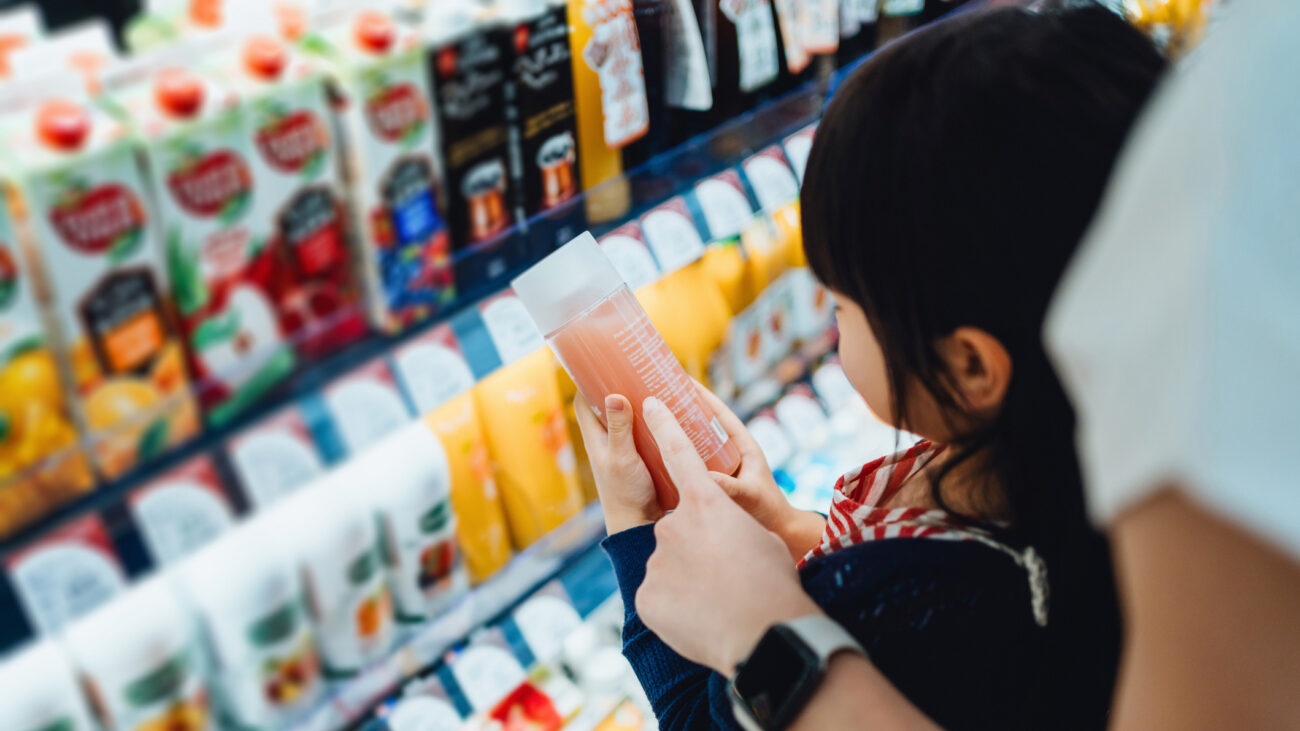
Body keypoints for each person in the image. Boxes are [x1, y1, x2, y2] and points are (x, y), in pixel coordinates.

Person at [573, 5, 1166, 729]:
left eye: (844, 306)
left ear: (971, 368)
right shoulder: (1074, 487)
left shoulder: (921, 610)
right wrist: (796, 533)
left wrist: (637, 529)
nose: (831, 322)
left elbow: (697, 720)